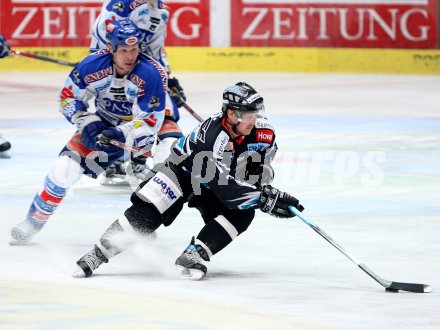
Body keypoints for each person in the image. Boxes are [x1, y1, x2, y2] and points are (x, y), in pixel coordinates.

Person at [72, 82, 304, 280]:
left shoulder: (264, 133)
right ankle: (98, 253)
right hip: (183, 172)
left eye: (255, 113)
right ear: (231, 114)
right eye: (247, 115)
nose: (252, 120)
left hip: (217, 182)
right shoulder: (212, 137)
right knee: (148, 214)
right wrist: (263, 199)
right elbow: (225, 188)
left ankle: (194, 254)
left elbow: (258, 170)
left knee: (243, 212)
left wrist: (263, 190)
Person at [9, 18, 170, 245]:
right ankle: (33, 222)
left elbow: (151, 121)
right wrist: (86, 121)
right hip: (102, 124)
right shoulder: (91, 66)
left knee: (157, 176)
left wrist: (122, 133)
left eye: (134, 50)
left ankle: (142, 223)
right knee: (63, 169)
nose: (129, 56)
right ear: (111, 48)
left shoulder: (152, 73)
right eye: (123, 50)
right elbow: (68, 97)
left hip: (138, 134)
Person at [91, 0, 186, 185]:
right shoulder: (121, 4)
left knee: (158, 112)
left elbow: (155, 50)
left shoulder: (161, 11)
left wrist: (166, 78)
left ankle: (138, 161)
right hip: (112, 68)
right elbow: (102, 38)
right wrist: (105, 66)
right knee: (116, 111)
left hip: (140, 67)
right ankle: (114, 160)